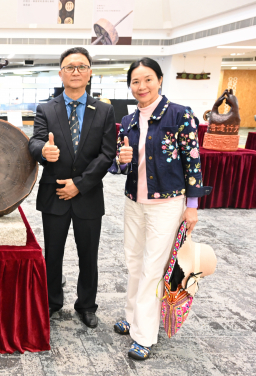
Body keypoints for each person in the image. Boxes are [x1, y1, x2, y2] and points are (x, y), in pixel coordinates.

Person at [109, 57, 212, 360]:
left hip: (167, 204)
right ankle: (132, 316)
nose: (142, 86)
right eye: (136, 81)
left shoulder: (180, 116)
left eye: (148, 79)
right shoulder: (127, 121)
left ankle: (144, 334)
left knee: (154, 267)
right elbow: (120, 164)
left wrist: (191, 206)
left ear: (160, 80)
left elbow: (193, 161)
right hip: (134, 202)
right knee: (133, 261)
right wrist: (122, 159)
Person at [28, 47, 116, 327]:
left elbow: (107, 154)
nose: (75, 71)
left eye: (81, 66)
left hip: (87, 195)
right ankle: (52, 301)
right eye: (69, 67)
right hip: (54, 194)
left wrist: (79, 185)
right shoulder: (45, 108)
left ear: (90, 73)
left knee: (88, 255)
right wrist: (44, 151)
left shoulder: (104, 110)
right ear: (60, 73)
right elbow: (34, 142)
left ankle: (87, 304)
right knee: (52, 253)